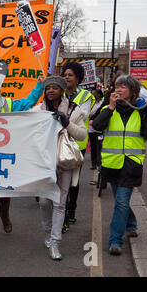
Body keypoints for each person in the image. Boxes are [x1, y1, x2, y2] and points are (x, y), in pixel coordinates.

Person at [0, 76, 44, 241]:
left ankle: (5, 218)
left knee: (3, 189)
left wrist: (39, 86)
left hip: (4, 153)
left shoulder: (7, 104)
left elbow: (28, 102)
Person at [92, 75, 147, 255]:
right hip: (112, 164)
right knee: (121, 202)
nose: (118, 90)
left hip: (131, 164)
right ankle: (132, 223)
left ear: (132, 91)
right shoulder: (107, 108)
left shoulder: (141, 109)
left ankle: (115, 240)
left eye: (122, 87)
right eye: (116, 87)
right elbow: (96, 126)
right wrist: (111, 108)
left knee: (121, 203)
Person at [30, 76, 87, 260]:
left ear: (62, 90)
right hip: (44, 162)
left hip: (64, 161)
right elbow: (28, 130)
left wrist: (66, 123)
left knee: (60, 203)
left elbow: (82, 135)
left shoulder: (73, 110)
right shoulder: (38, 110)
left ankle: (55, 242)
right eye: (48, 88)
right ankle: (47, 232)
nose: (51, 91)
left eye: (55, 88)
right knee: (45, 202)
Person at [61, 62, 95, 232]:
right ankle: (63, 213)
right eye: (65, 74)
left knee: (73, 180)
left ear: (78, 78)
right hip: (59, 143)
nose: (66, 77)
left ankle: (71, 208)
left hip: (76, 143)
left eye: (70, 75)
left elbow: (82, 115)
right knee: (60, 180)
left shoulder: (86, 95)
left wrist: (63, 116)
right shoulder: (57, 92)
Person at [88, 89, 104, 170]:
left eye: (94, 93)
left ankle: (99, 163)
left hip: (100, 130)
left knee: (99, 146)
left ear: (99, 95)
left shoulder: (102, 103)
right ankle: (93, 163)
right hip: (91, 130)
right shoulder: (90, 103)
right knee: (93, 146)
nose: (92, 94)